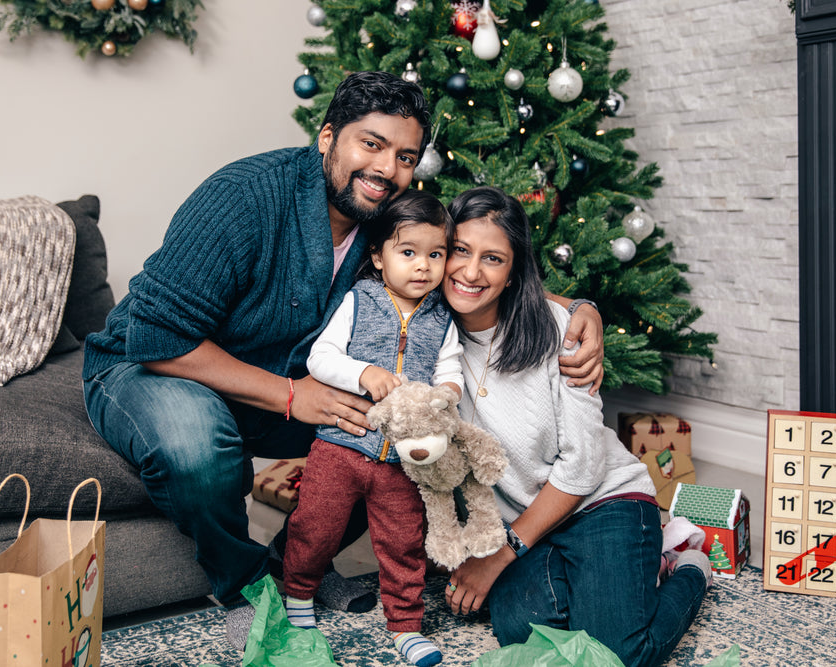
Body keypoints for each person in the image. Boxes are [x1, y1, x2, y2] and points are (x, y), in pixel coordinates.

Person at [81, 70, 603, 650]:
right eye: (371, 144)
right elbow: (156, 336)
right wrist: (289, 395)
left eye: (405, 156)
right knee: (193, 442)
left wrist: (579, 307)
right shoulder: (245, 196)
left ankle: (296, 566)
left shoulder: (388, 218)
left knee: (377, 436)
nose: (387, 168)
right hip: (150, 364)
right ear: (328, 136)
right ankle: (248, 588)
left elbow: (471, 262)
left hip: (286, 379)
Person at [439, 187, 711, 667]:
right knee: (525, 632)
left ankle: (686, 564)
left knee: (616, 654)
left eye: (493, 259)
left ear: (513, 272)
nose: (470, 272)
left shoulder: (560, 330)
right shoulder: (426, 331)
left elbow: (584, 466)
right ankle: (622, 574)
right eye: (460, 250)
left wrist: (502, 554)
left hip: (600, 500)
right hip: (525, 515)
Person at [283, 190, 461, 667]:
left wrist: (448, 391)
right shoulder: (359, 301)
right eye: (408, 253)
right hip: (341, 448)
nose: (423, 266)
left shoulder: (443, 319)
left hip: (403, 460)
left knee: (404, 542)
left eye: (435, 255)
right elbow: (319, 359)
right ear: (379, 258)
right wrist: (362, 373)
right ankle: (298, 595)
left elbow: (452, 366)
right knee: (314, 528)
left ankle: (406, 624)